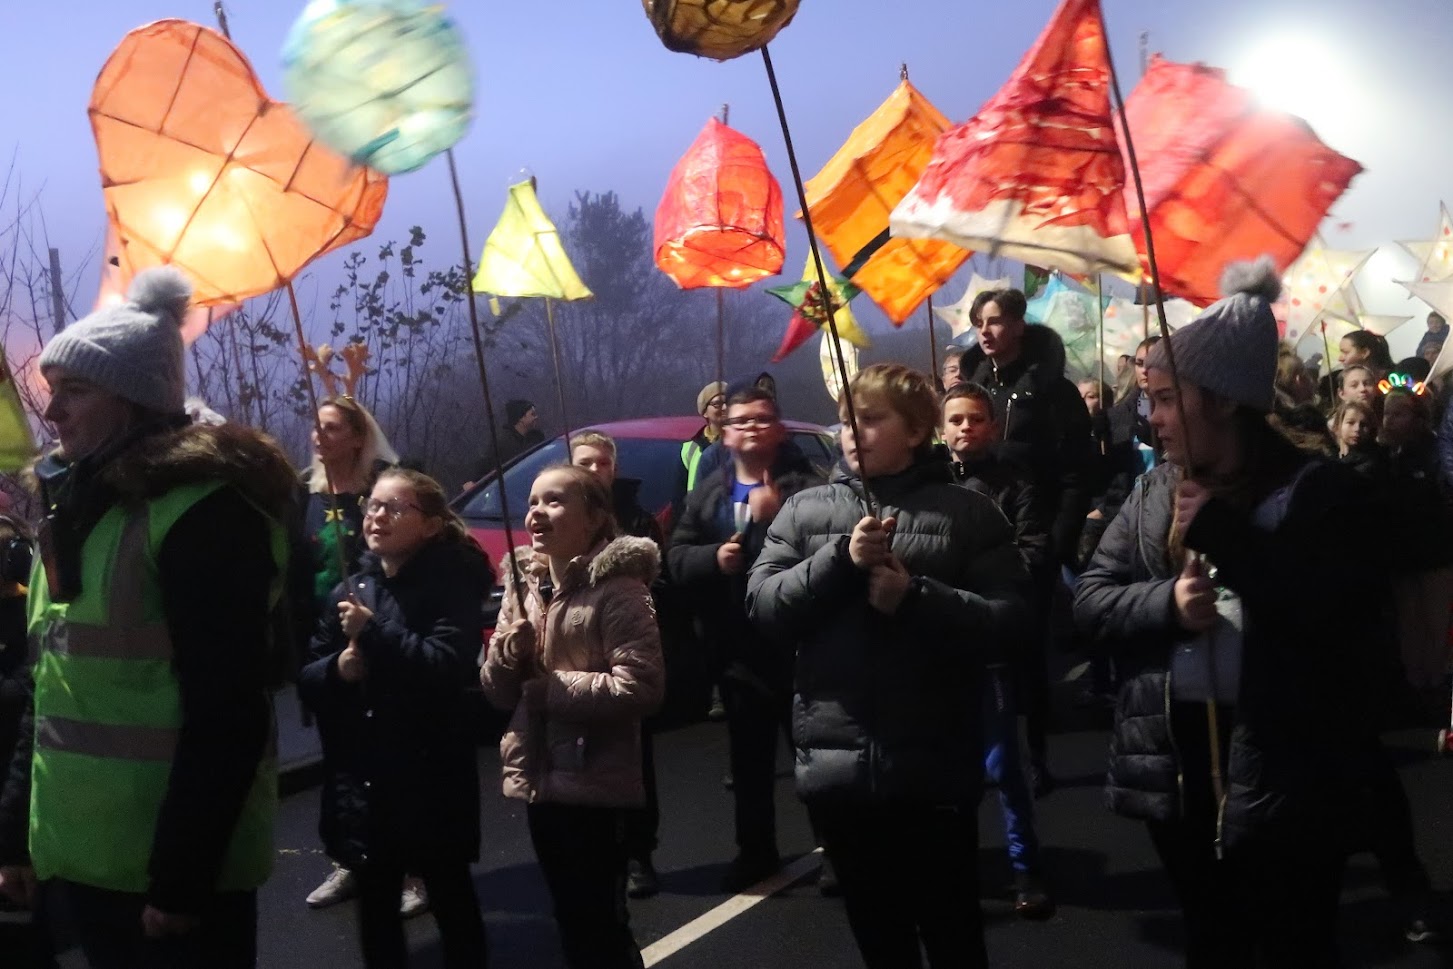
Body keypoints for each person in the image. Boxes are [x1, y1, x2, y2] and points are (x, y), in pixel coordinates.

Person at [1073, 258, 1395, 967]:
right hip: (1178, 755)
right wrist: (1163, 602)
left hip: (1287, 759)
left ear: (1218, 399)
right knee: (1210, 935)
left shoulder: (1321, 491)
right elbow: (1090, 599)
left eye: (1163, 397)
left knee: (1292, 939)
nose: (1148, 416)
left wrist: (1225, 533)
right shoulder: (1154, 490)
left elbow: (1328, 614)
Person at [0, 267, 291, 968]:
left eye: (76, 389)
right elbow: (53, 683)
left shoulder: (204, 515)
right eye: (51, 389)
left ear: (133, 400)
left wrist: (183, 878)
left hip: (169, 876)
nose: (53, 410)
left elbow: (228, 710)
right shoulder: (78, 515)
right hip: (84, 856)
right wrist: (16, 833)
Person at [747, 363, 1027, 969]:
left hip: (932, 764)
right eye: (847, 419)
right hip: (839, 769)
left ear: (919, 429)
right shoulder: (804, 511)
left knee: (953, 933)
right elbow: (765, 608)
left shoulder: (969, 513)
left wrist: (916, 598)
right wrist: (837, 564)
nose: (853, 432)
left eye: (872, 419)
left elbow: (1009, 623)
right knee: (880, 939)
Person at [299, 469, 491, 969]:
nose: (377, 516)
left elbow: (446, 666)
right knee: (376, 902)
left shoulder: (451, 582)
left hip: (430, 769)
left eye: (394, 508)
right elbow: (309, 674)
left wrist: (375, 633)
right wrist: (337, 670)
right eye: (373, 506)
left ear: (429, 525)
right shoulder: (350, 585)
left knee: (449, 891)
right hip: (365, 773)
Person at [480, 466, 663, 969]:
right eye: (533, 501)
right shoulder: (522, 588)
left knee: (602, 923)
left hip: (597, 782)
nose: (537, 512)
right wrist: (506, 658)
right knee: (568, 917)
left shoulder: (620, 590)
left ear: (595, 518)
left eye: (555, 501)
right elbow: (496, 694)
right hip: (541, 777)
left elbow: (641, 687)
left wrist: (548, 690)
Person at [668, 387, 826, 893]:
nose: (752, 427)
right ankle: (755, 852)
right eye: (741, 420)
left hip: (797, 645)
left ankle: (841, 850)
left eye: (763, 419)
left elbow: (824, 554)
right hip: (736, 648)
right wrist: (713, 559)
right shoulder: (708, 492)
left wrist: (772, 518)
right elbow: (675, 557)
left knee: (815, 758)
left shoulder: (807, 487)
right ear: (725, 431)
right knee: (749, 763)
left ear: (779, 429)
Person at [959, 288, 1093, 789]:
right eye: (978, 324)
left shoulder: (1053, 390)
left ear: (1018, 324)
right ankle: (982, 753)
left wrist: (1059, 540)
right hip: (977, 537)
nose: (985, 333)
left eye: (994, 321)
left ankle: (1035, 754)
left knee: (1027, 653)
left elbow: (1079, 473)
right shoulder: (971, 392)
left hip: (1033, 536)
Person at [941, 384, 1054, 919]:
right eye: (956, 420)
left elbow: (1033, 553)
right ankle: (954, 865)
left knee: (1003, 760)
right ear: (942, 429)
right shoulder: (931, 485)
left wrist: (985, 582)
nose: (965, 428)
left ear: (992, 426)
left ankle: (1024, 864)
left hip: (989, 638)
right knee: (944, 763)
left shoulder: (1015, 485)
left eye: (975, 419)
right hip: (939, 639)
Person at [298, 397, 410, 914]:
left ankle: (411, 865)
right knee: (340, 755)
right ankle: (349, 858)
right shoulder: (307, 494)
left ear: (358, 437)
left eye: (331, 428)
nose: (318, 437)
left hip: (376, 627)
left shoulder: (379, 490)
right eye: (316, 428)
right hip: (325, 639)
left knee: (389, 755)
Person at [570, 431, 665, 898]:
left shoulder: (637, 520)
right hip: (570, 656)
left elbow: (656, 591)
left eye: (601, 463)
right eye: (583, 462)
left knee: (629, 759)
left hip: (619, 656)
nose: (593, 471)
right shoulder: (558, 519)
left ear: (613, 468)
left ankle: (637, 854)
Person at [467, 399, 544, 483]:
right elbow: (485, 464)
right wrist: (471, 481)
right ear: (521, 418)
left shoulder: (537, 437)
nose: (536, 417)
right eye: (532, 414)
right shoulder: (502, 441)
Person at [682, 382, 726, 493]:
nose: (725, 408)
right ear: (705, 412)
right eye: (718, 404)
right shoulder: (690, 449)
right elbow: (679, 496)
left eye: (729, 402)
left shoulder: (742, 443)